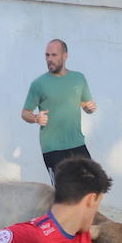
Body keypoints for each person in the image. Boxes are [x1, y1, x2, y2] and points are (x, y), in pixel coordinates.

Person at [22, 39, 97, 178]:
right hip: (53, 147)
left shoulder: (79, 78)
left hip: (77, 143)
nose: (49, 59)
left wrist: (89, 108)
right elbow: (25, 113)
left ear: (65, 56)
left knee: (91, 183)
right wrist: (36, 118)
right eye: (47, 55)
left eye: (54, 55)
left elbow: (85, 105)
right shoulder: (38, 84)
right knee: (64, 189)